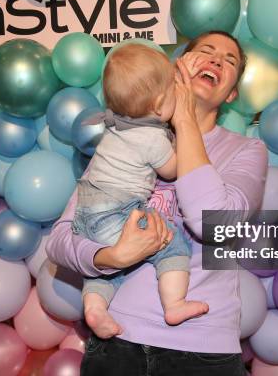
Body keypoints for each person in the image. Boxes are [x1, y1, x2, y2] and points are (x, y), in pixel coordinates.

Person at [45, 31, 268, 376]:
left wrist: (184, 119)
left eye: (229, 61)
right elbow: (60, 240)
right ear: (174, 71)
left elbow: (213, 224)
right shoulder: (124, 138)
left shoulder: (247, 150)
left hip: (203, 352)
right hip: (117, 343)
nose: (215, 60)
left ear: (232, 93)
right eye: (205, 51)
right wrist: (110, 257)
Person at [74, 43, 209, 340]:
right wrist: (180, 134)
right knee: (169, 242)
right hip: (118, 208)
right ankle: (174, 304)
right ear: (160, 105)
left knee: (105, 269)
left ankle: (95, 306)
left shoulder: (115, 126)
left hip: (85, 213)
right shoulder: (151, 137)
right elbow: (173, 170)